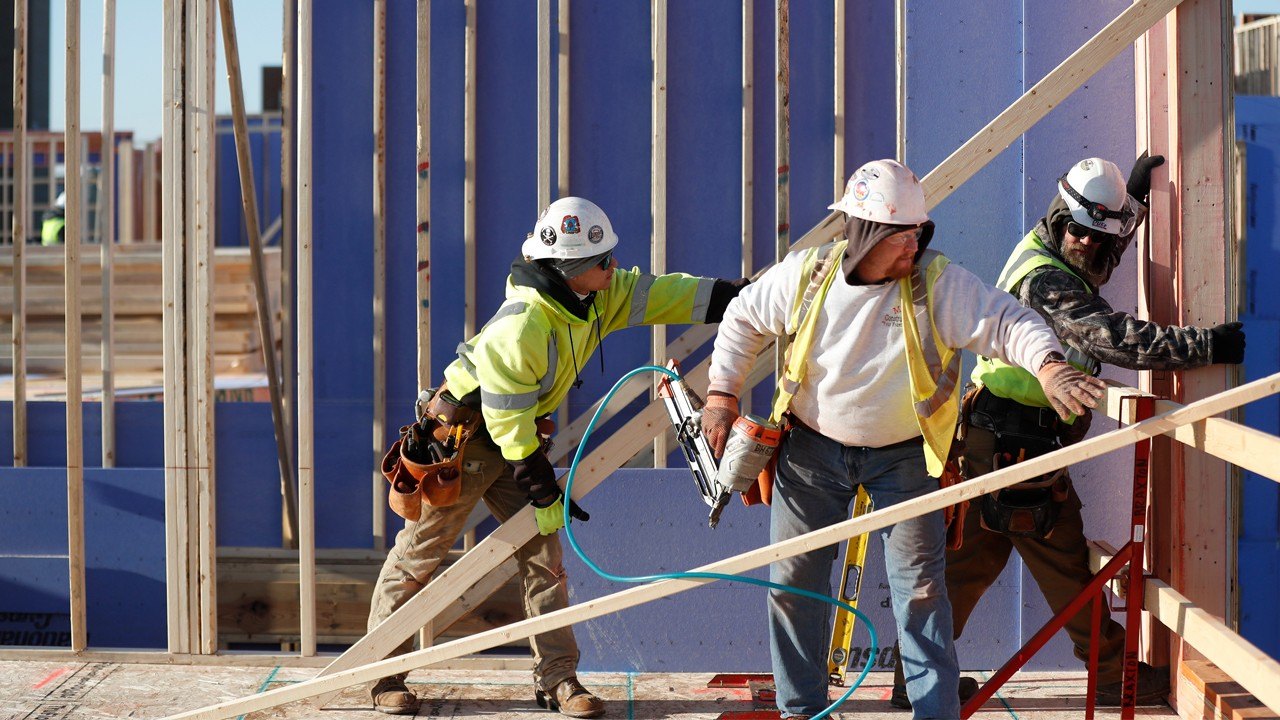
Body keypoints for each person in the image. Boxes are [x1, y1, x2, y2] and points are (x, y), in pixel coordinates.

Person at [702, 159, 1107, 719]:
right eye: (902, 234)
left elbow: (1007, 322)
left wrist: (1048, 364)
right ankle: (802, 710)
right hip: (812, 451)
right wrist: (722, 393)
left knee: (921, 591)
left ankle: (933, 713)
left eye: (920, 231)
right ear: (866, 234)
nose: (914, 244)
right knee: (795, 583)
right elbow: (743, 317)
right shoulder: (806, 275)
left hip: (906, 459)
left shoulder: (936, 283)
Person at [886, 154, 1247, 709]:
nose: (1083, 242)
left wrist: (1134, 206)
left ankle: (915, 681)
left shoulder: (1057, 240)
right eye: (1077, 230)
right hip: (1015, 444)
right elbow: (1110, 339)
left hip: (995, 438)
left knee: (964, 564)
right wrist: (1205, 346)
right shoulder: (1047, 280)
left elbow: (1102, 250)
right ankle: (1110, 675)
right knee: (1066, 560)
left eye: (1094, 235)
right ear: (1063, 218)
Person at [365, 196, 749, 718]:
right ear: (570, 270)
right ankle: (380, 673)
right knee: (419, 555)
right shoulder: (522, 325)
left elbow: (661, 293)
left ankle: (558, 680)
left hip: (514, 438)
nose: (614, 269)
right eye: (603, 262)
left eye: (611, 258)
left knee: (545, 563)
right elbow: (504, 421)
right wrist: (541, 483)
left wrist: (739, 298)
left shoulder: (593, 296)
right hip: (468, 441)